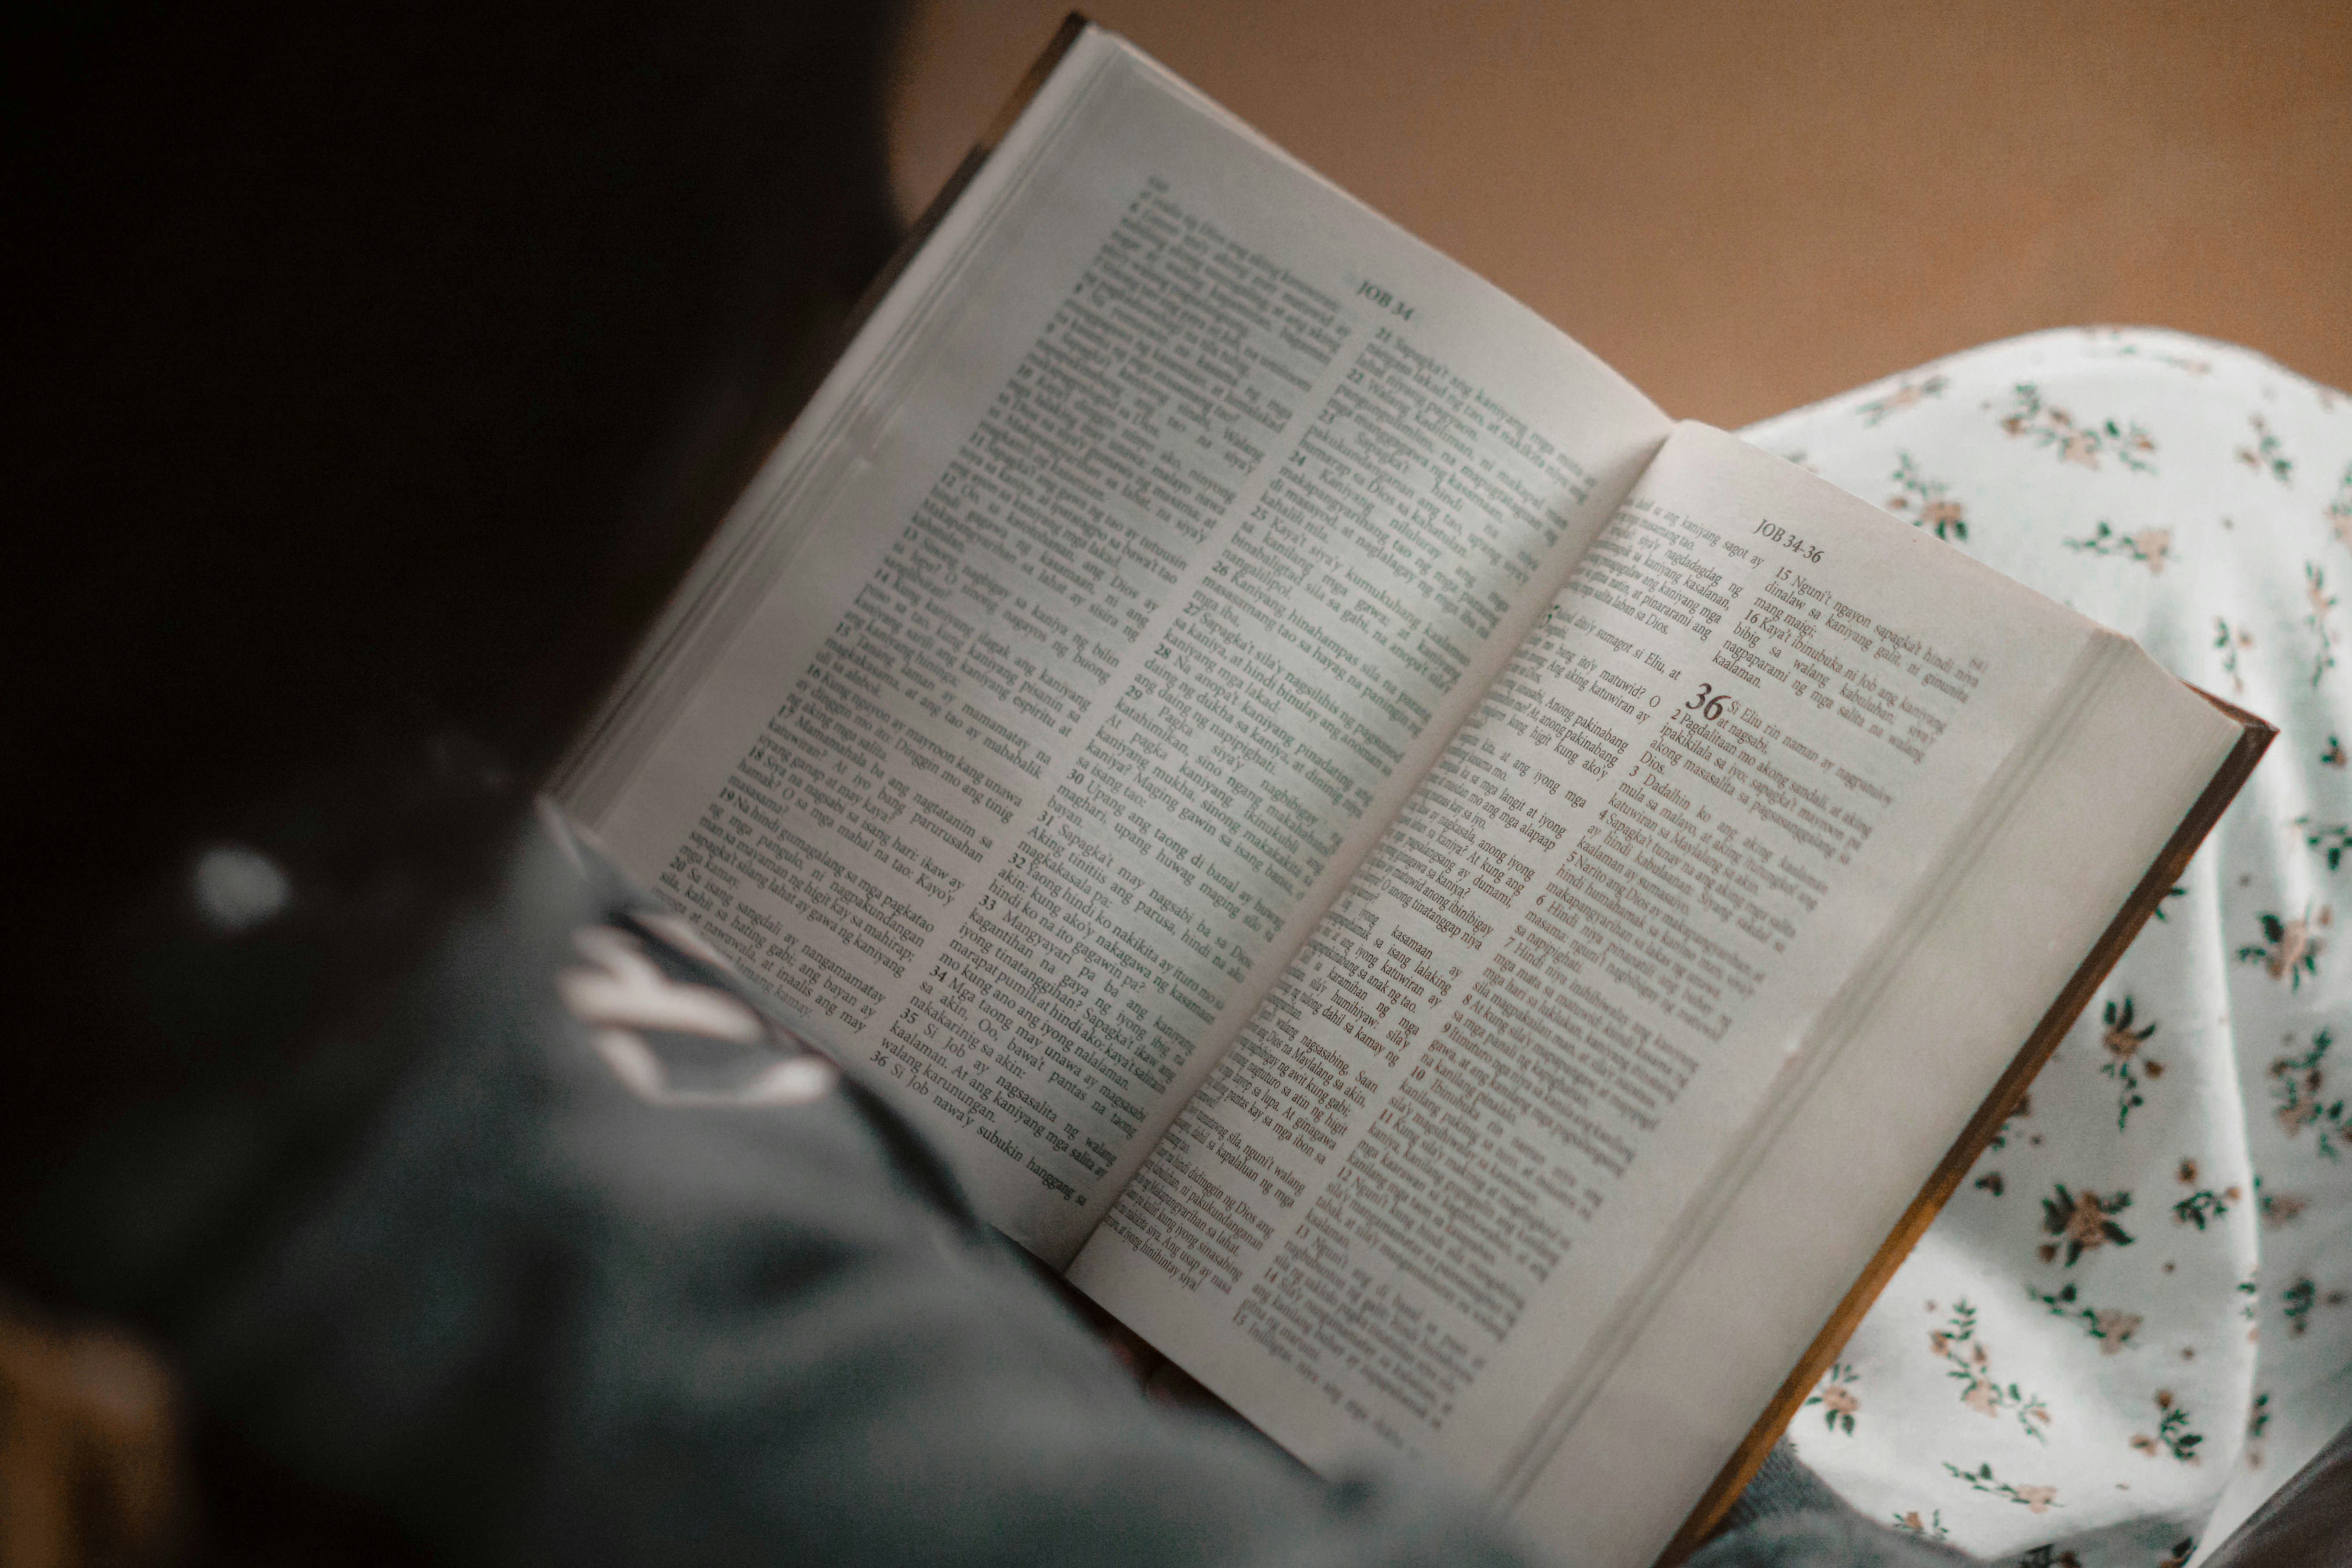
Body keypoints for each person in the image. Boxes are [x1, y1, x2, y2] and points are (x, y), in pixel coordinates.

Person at [8, 8, 2338, 1568]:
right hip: (1536, 1462)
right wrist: (1746, 1501)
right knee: (2213, 509)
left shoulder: (261, 867)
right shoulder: (377, 1215)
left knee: (2114, 474)